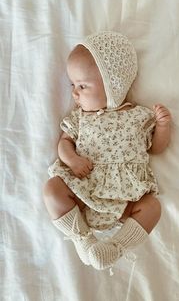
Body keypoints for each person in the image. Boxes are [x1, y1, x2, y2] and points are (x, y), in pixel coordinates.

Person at [43, 31, 171, 270]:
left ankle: (115, 247)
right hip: (83, 188)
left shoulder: (140, 116)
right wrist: (71, 160)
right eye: (73, 85)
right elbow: (64, 142)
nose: (74, 93)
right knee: (52, 189)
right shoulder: (80, 118)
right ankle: (83, 239)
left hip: (126, 198)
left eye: (82, 85)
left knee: (153, 207)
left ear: (113, 85)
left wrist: (163, 126)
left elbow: (157, 148)